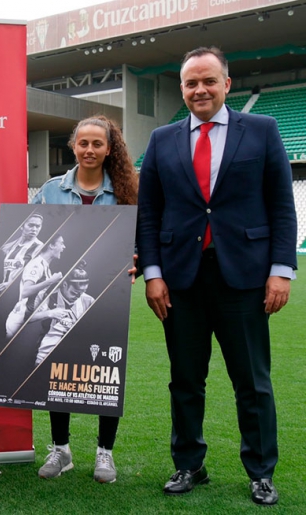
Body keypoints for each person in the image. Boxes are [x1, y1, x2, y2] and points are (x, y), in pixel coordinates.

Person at [137, 47, 297, 506]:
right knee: (185, 379)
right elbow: (150, 214)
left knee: (252, 381)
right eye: (191, 83)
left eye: (209, 81)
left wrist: (280, 271)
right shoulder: (163, 138)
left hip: (244, 279)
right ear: (182, 89)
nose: (200, 89)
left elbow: (282, 208)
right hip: (180, 281)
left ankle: (261, 471)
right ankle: (189, 464)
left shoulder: (263, 130)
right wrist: (152, 273)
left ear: (227, 84)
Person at [32, 115, 138, 483]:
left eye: (97, 144)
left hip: (109, 294)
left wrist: (137, 258)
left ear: (109, 149)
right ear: (73, 146)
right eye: (83, 143)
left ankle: (104, 453)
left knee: (106, 372)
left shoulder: (127, 190)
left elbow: (140, 238)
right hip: (63, 291)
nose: (89, 150)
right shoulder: (49, 191)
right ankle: (61, 450)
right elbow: (33, 238)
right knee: (58, 369)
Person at [31, 261, 94, 366]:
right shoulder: (49, 296)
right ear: (64, 284)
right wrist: (49, 313)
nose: (78, 296)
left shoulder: (88, 301)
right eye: (74, 292)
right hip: (45, 353)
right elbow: (26, 319)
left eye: (82, 292)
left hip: (72, 355)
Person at [5, 234, 65, 338]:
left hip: (26, 319)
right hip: (18, 320)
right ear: (51, 245)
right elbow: (25, 292)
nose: (64, 247)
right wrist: (50, 281)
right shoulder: (36, 265)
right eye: (61, 243)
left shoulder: (46, 268)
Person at [0, 214, 44, 295]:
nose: (34, 229)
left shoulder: (39, 247)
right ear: (22, 226)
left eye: (38, 226)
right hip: (2, 289)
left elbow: (33, 274)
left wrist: (10, 284)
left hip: (18, 292)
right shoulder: (11, 245)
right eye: (31, 225)